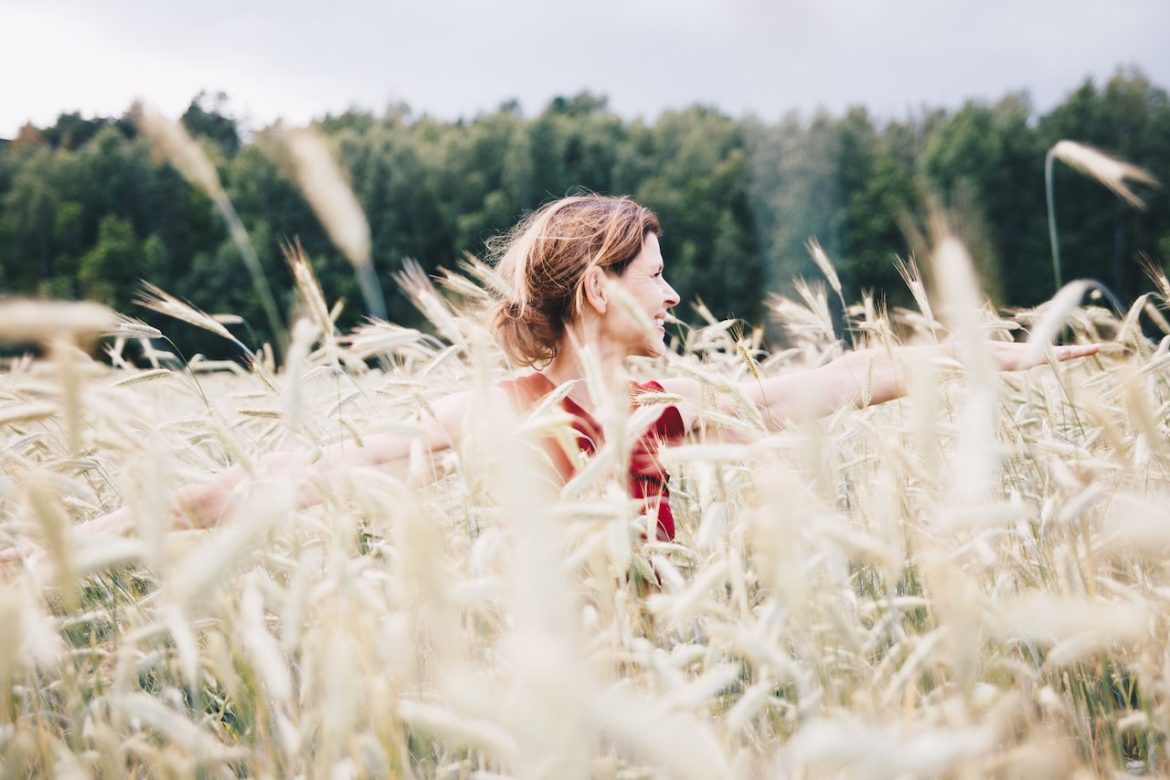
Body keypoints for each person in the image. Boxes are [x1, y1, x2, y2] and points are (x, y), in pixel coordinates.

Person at [3, 194, 1099, 558]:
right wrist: (66, 545)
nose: (674, 296)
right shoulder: (500, 413)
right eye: (657, 276)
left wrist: (1004, 349)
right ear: (597, 292)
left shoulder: (678, 410)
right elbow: (282, 480)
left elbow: (865, 375)